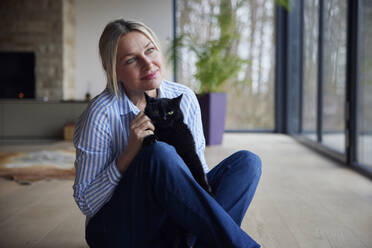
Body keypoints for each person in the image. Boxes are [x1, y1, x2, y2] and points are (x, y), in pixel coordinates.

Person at [73, 18, 262, 248]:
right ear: (113, 70)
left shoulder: (183, 97)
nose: (148, 64)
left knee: (247, 163)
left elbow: (197, 172)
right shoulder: (100, 113)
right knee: (158, 153)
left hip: (171, 222)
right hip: (118, 231)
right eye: (132, 60)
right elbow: (86, 202)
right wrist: (129, 154)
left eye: (150, 50)